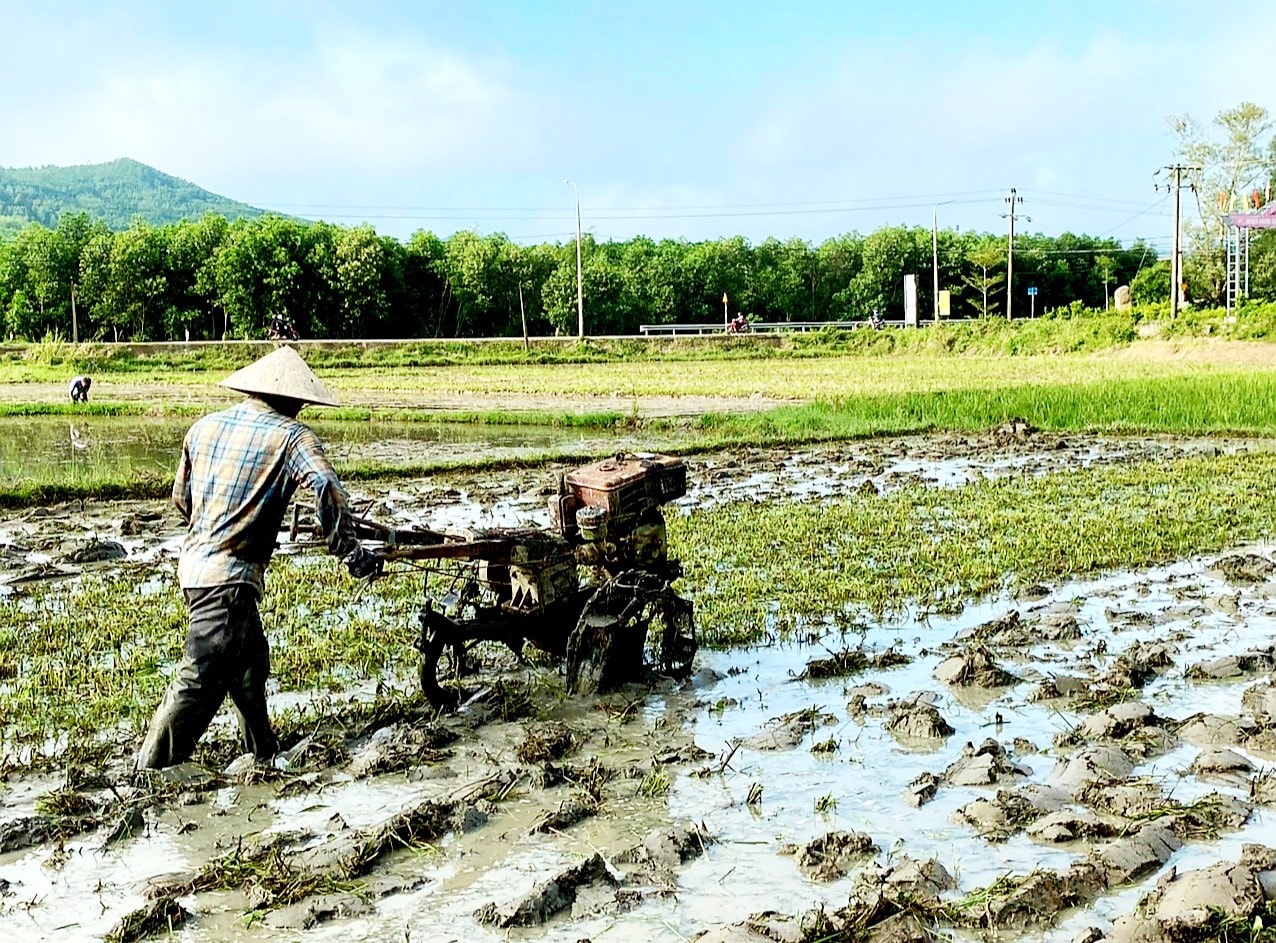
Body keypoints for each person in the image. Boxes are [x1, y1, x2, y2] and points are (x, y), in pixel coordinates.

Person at [136, 346, 381, 770]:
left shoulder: (204, 426)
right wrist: (349, 549)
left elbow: (181, 499)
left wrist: (214, 530)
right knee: (202, 674)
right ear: (295, 399)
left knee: (249, 663)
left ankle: (264, 754)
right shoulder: (292, 436)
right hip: (228, 576)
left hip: (193, 567)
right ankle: (149, 772)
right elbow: (325, 486)